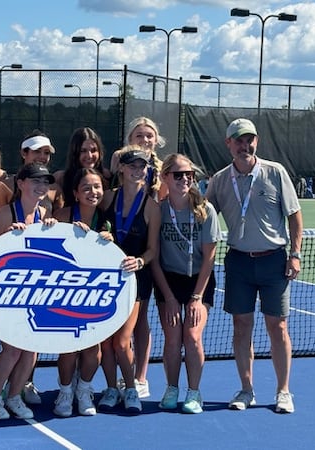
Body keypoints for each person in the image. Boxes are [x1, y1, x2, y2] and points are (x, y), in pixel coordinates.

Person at [206, 118, 303, 414]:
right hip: (238, 263)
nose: (244, 145)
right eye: (238, 140)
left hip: (274, 261)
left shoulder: (275, 172)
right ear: (228, 144)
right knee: (241, 327)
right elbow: (203, 215)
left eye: (249, 140)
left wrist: (295, 254)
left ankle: (283, 391)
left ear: (256, 142)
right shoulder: (220, 180)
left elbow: (295, 216)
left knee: (278, 326)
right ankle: (247, 389)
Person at [0, 162, 57, 420]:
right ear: (21, 183)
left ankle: (14, 396)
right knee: (13, 349)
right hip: (6, 294)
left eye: (45, 182)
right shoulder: (4, 214)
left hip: (34, 294)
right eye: (35, 181)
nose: (41, 187)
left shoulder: (46, 213)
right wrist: (6, 236)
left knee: (32, 347)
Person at [151, 153, 221, 414]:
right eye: (178, 174)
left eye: (189, 175)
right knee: (172, 338)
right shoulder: (158, 211)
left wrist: (196, 297)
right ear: (165, 177)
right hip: (168, 280)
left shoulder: (205, 210)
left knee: (191, 336)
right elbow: (154, 258)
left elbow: (210, 257)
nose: (185, 179)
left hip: (198, 281)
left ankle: (194, 392)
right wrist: (168, 297)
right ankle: (171, 388)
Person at [98, 149, 161, 414]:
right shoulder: (107, 199)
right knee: (105, 341)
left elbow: (153, 250)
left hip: (136, 280)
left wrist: (140, 261)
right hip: (105, 280)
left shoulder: (151, 207)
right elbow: (95, 228)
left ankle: (132, 388)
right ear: (121, 169)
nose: (138, 170)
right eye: (132, 165)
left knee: (122, 340)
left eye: (142, 166)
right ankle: (112, 388)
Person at [110, 117, 166, 399]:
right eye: (139, 135)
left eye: (149, 136)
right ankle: (118, 380)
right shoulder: (119, 164)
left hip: (149, 253)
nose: (145, 140)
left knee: (141, 319)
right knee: (119, 326)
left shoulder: (160, 171)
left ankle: (139, 378)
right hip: (117, 260)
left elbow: (165, 204)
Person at [51, 168, 113, 417]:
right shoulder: (63, 215)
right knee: (68, 347)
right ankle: (65, 392)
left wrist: (109, 240)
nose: (92, 192)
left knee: (92, 348)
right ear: (76, 193)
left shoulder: (107, 221)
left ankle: (84, 390)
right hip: (65, 293)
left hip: (94, 294)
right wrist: (56, 228)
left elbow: (113, 259)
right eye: (86, 188)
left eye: (97, 187)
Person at [55, 127, 112, 208]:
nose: (89, 156)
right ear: (75, 153)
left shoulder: (107, 176)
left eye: (93, 150)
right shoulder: (61, 178)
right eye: (83, 151)